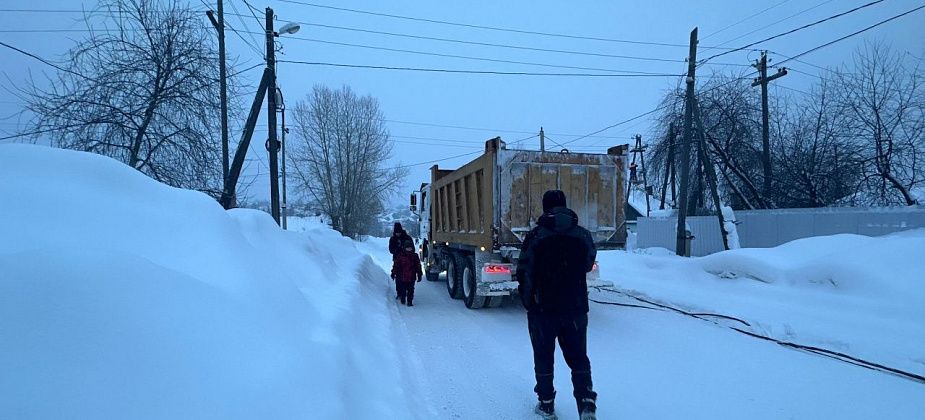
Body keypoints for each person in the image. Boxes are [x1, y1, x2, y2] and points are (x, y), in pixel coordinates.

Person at [517, 190, 598, 420]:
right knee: (579, 356)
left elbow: (525, 272)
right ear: (564, 205)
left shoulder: (535, 236)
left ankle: (546, 404)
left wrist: (528, 302)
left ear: (545, 208)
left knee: (544, 356)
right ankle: (586, 402)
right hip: (576, 308)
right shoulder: (583, 235)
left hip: (543, 310)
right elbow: (587, 263)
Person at [391, 239, 422, 306]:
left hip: (411, 277)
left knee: (411, 290)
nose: (409, 249)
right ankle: (403, 298)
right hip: (402, 277)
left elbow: (418, 265)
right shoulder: (400, 256)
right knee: (403, 289)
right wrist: (393, 273)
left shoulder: (415, 256)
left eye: (410, 248)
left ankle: (409, 301)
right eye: (407, 248)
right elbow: (396, 265)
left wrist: (419, 274)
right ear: (404, 248)